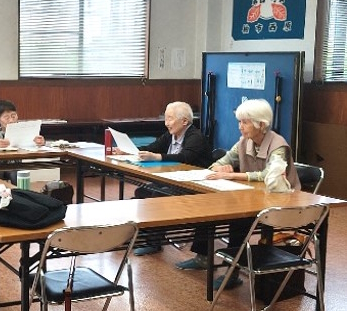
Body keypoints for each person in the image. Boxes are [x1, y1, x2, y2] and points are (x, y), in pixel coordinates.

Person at [177, 99, 301, 289]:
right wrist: (221, 167)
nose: (240, 127)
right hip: (250, 197)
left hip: (279, 202)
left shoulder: (278, 145)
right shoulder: (244, 142)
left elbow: (269, 175)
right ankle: (203, 257)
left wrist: (234, 175)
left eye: (245, 122)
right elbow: (218, 163)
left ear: (261, 124)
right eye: (239, 122)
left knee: (238, 221)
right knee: (208, 208)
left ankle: (231, 271)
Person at [113, 101, 213, 255]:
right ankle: (138, 235)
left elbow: (184, 157)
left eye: (170, 119)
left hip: (193, 185)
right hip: (173, 180)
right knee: (142, 191)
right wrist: (129, 151)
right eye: (165, 119)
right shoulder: (170, 135)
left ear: (184, 121)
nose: (166, 123)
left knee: (158, 195)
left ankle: (154, 242)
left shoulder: (196, 137)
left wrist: (158, 157)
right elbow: (152, 148)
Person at [0, 99, 45, 184]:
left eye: (13, 116)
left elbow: (32, 144)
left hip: (14, 164)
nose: (11, 120)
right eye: (7, 117)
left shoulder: (22, 128)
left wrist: (40, 142)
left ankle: (21, 192)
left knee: (18, 175)